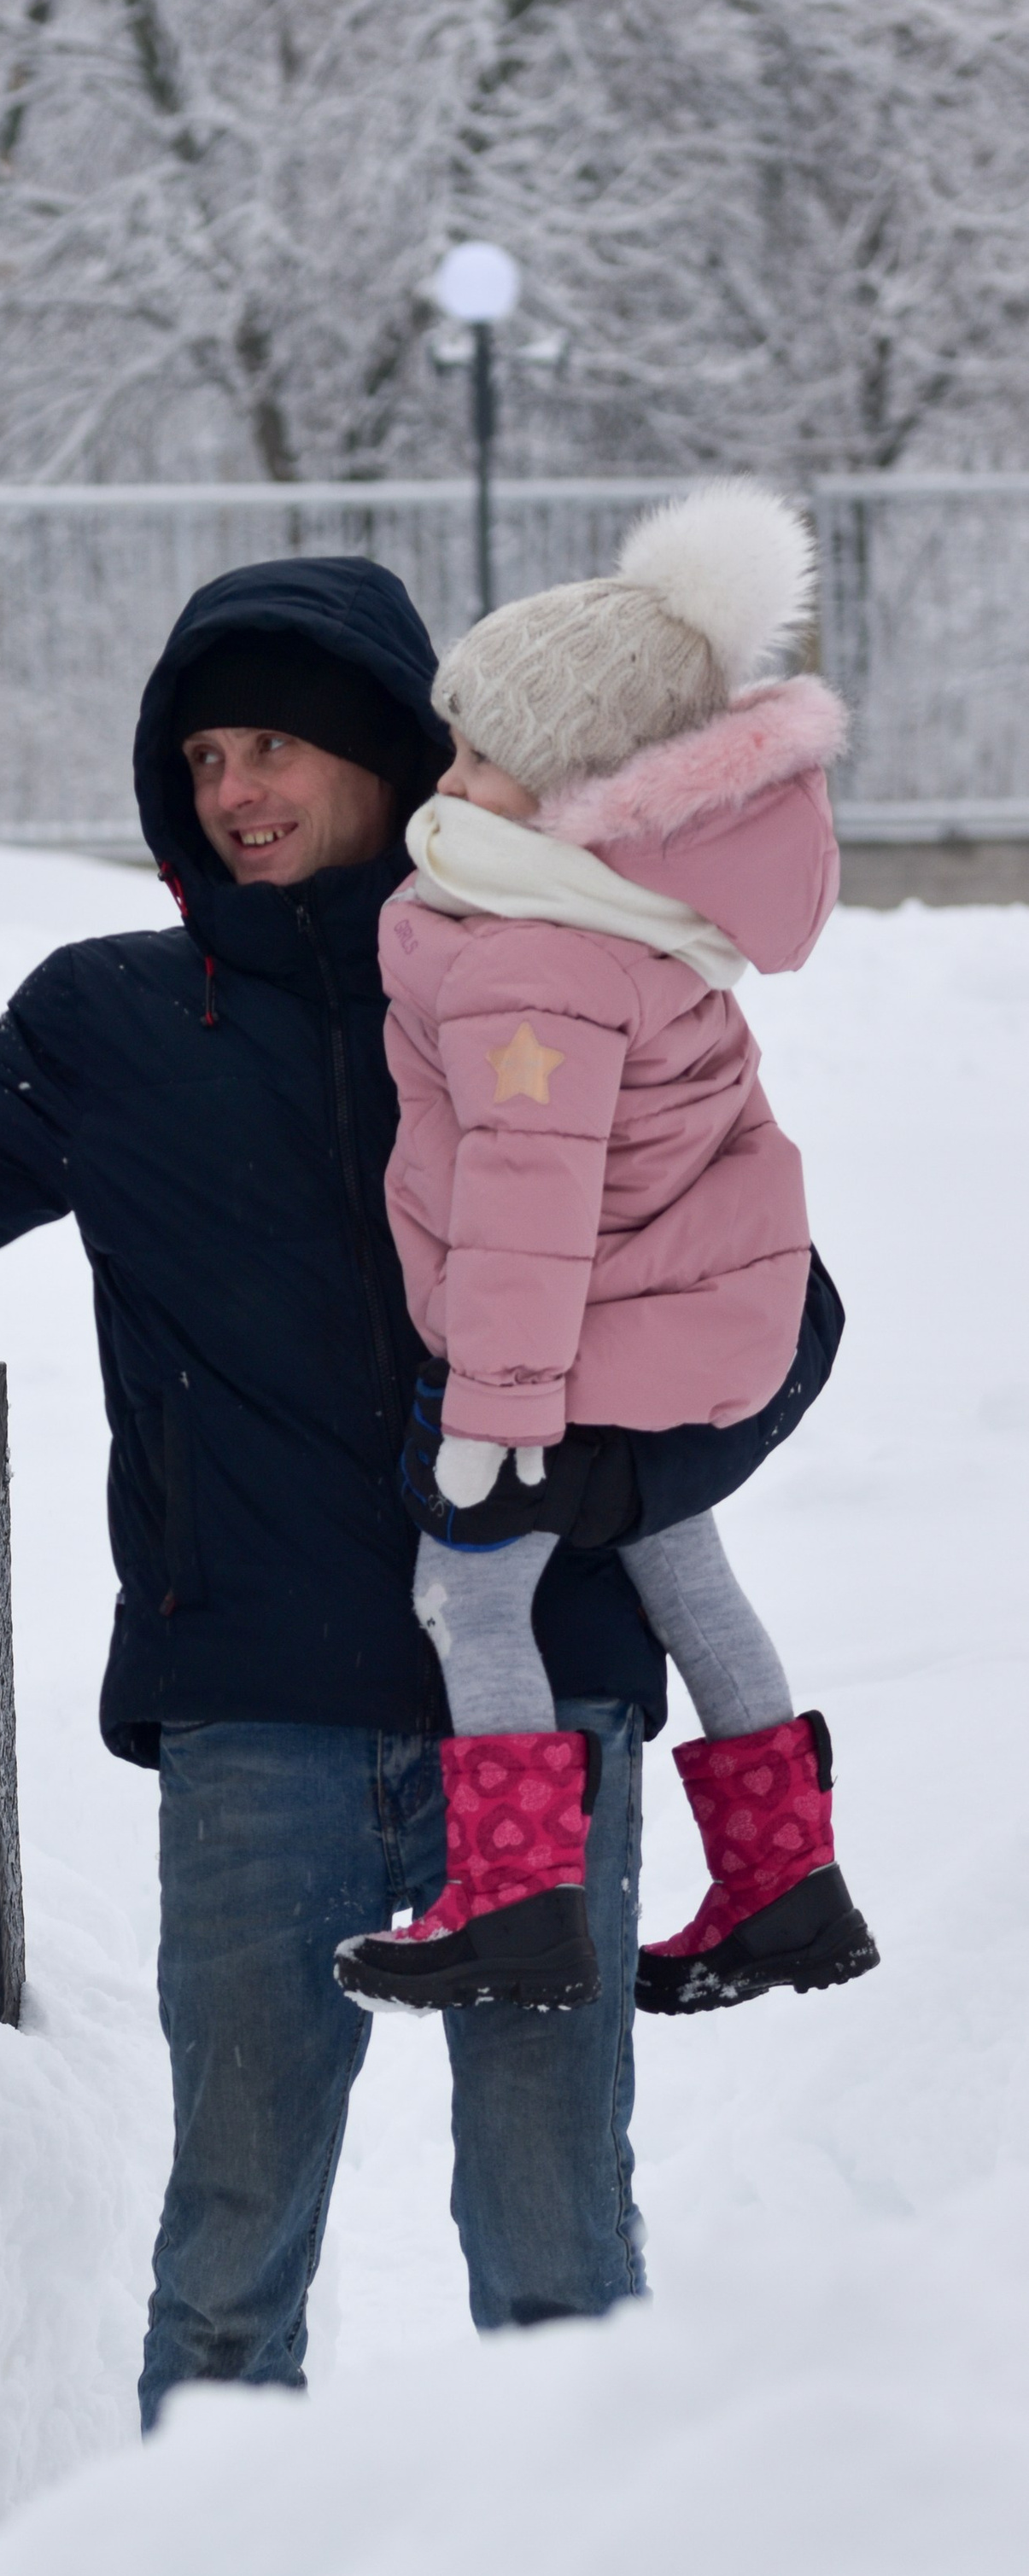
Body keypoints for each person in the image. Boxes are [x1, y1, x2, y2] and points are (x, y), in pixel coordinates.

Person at [0, 552, 843, 2429]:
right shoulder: (114, 1024)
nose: (237, 788)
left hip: (542, 1696)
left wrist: (619, 1482)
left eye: (279, 744)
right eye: (204, 754)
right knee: (229, 2260)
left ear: (396, 753)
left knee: (556, 2246)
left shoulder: (556, 976)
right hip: (260, 1717)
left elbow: (768, 1306)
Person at [333, 485, 879, 2023]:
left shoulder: (533, 960)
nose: (449, 781)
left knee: (472, 1589)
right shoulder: (642, 915)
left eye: (482, 760)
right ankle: (789, 1883)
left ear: (583, 789)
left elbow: (525, 1202)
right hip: (678, 1329)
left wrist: (493, 1423)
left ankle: (512, 1897)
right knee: (681, 1561)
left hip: (576, 1355)